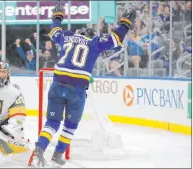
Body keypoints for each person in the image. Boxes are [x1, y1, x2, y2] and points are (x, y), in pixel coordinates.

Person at [28, 4, 136, 168]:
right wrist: (126, 22)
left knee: (52, 123)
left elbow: (54, 31)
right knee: (70, 126)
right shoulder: (95, 42)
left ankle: (38, 152)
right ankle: (57, 155)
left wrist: (58, 15)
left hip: (57, 85)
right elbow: (116, 38)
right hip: (77, 90)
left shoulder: (66, 37)